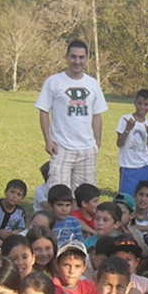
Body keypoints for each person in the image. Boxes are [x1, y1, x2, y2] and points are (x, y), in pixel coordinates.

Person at [36, 40, 108, 191]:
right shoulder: (54, 82)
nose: (77, 61)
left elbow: (97, 115)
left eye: (81, 57)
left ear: (87, 58)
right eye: (73, 57)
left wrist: (97, 141)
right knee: (58, 194)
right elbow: (44, 111)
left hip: (87, 149)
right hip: (61, 147)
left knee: (85, 197)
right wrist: (48, 140)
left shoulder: (92, 83)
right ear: (67, 57)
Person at [116, 89, 148, 196]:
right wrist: (128, 129)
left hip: (144, 166)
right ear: (135, 103)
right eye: (140, 103)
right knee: (126, 198)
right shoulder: (125, 119)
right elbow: (120, 143)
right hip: (128, 166)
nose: (142, 107)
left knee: (143, 196)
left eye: (146, 104)